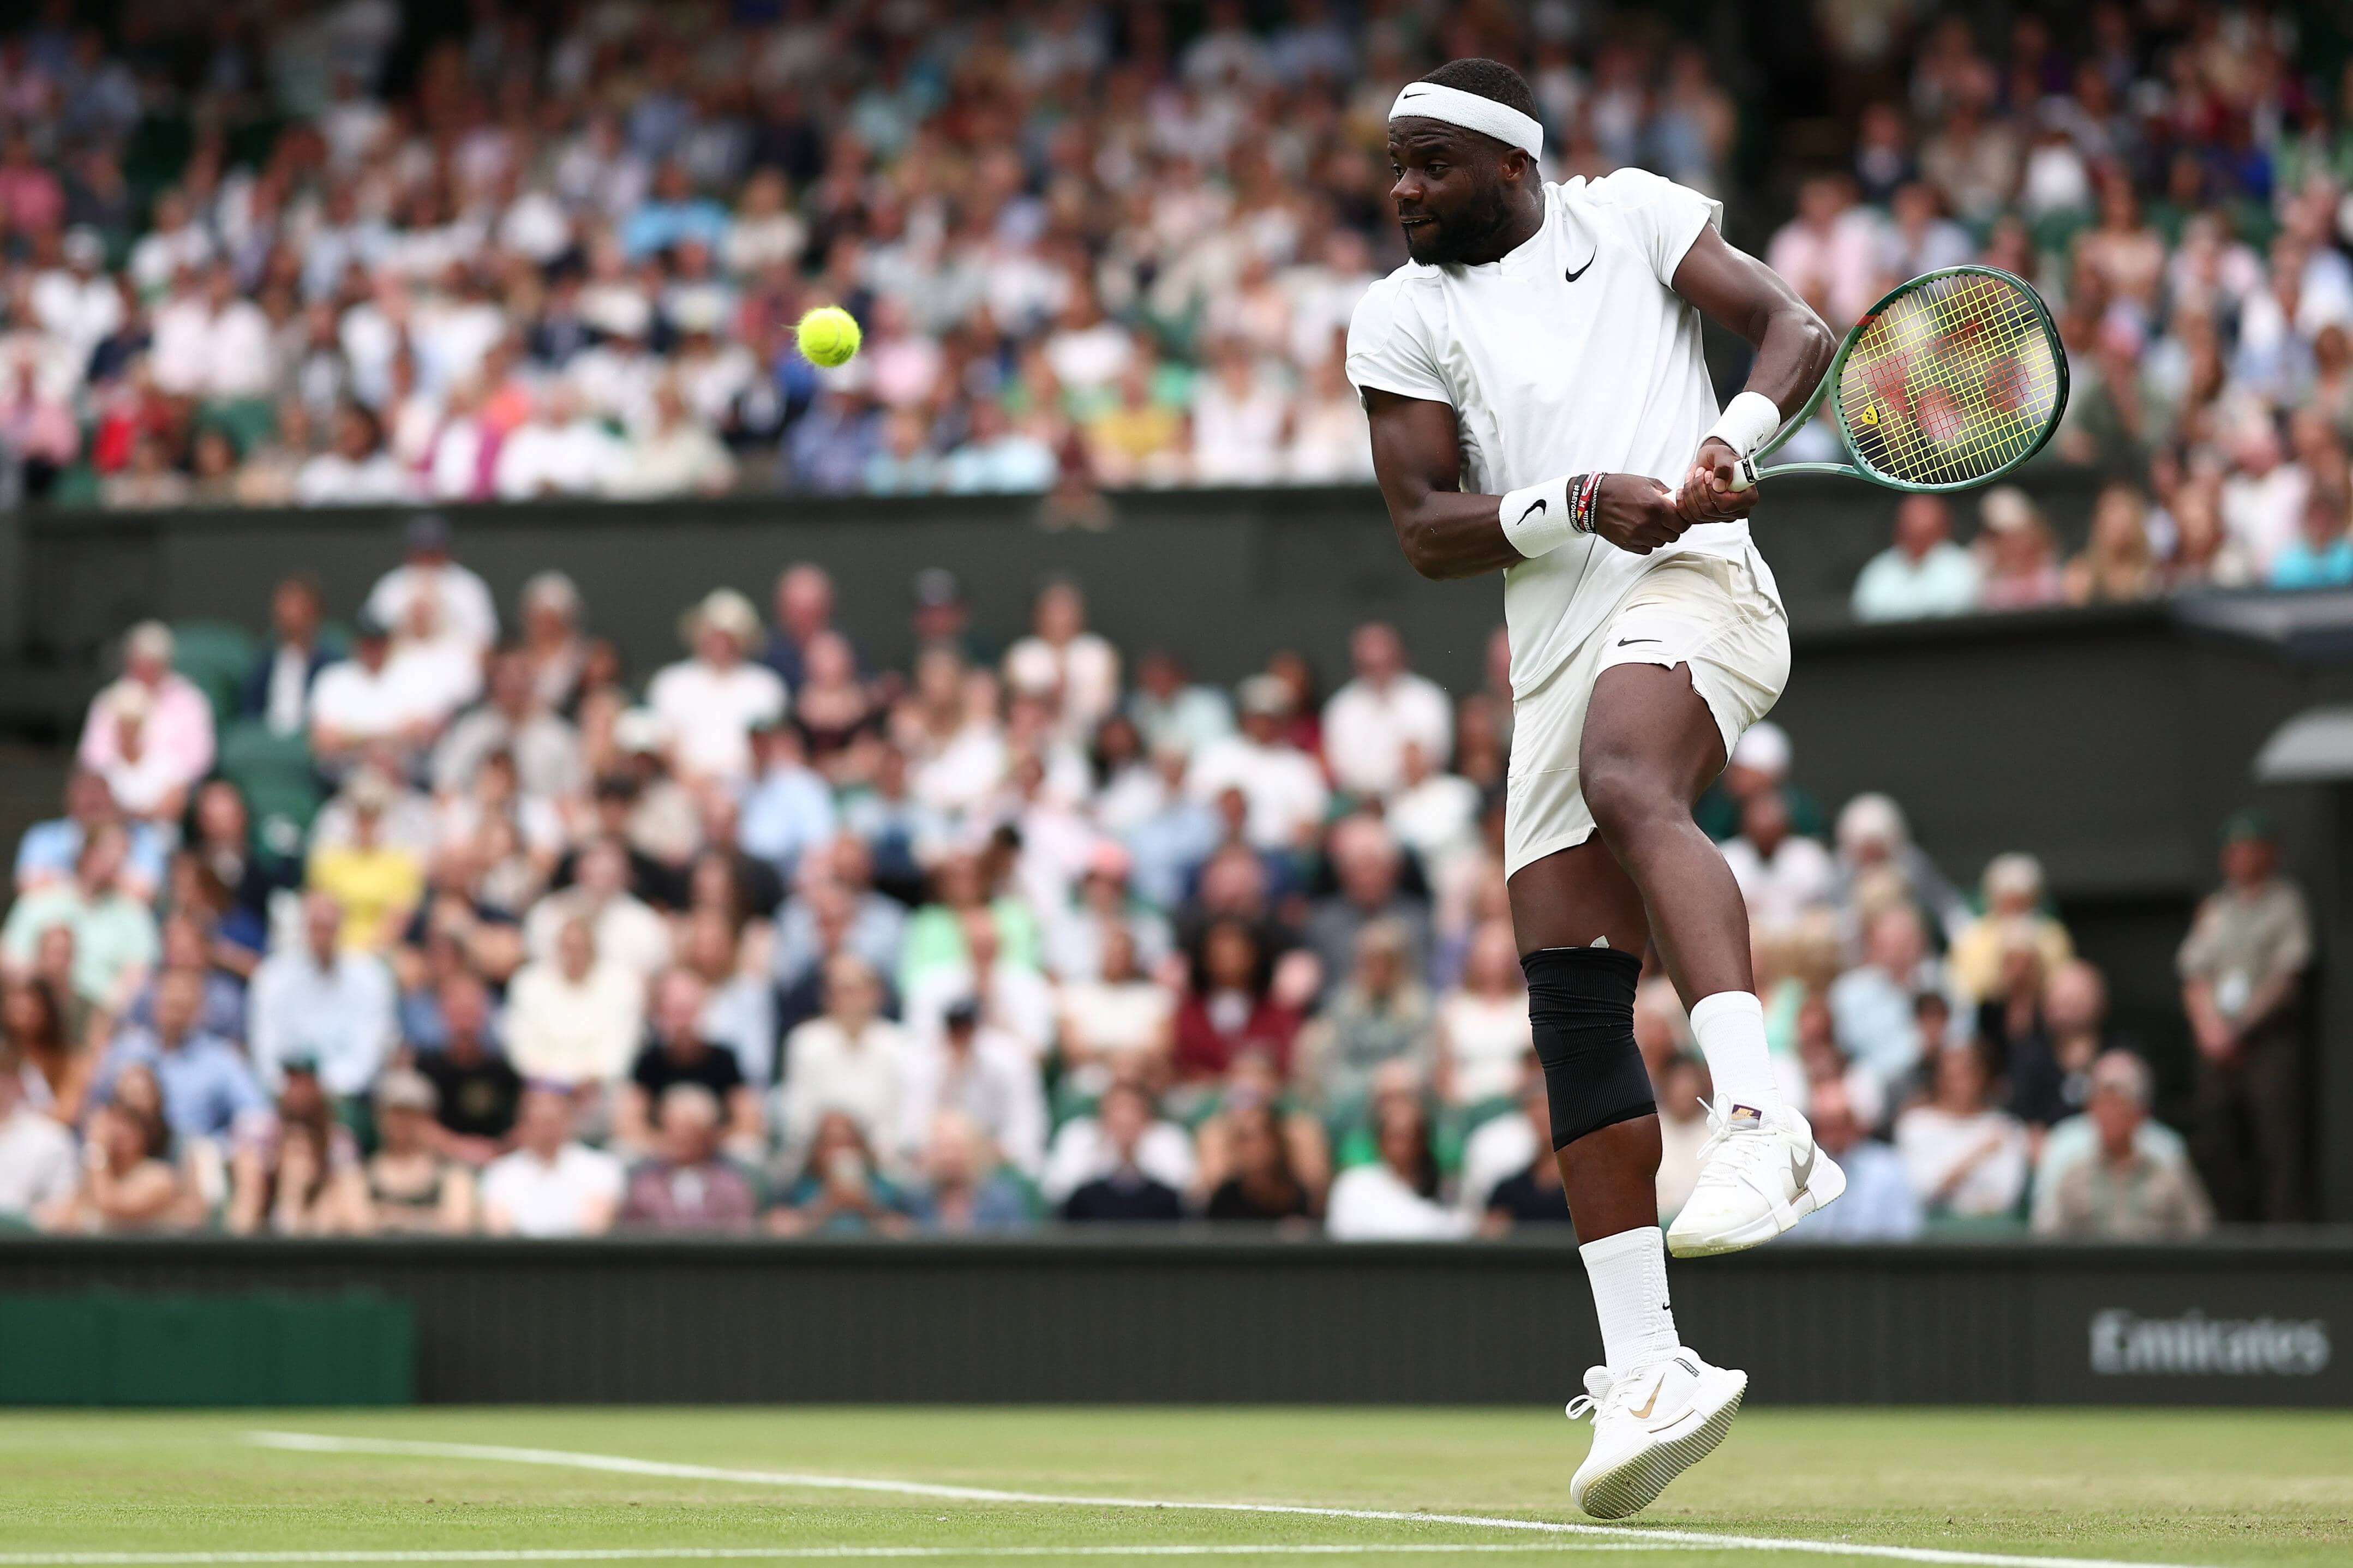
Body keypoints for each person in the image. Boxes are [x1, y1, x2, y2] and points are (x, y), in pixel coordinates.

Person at [1349, 57, 1836, 1510]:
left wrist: (1720, 443)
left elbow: (1789, 328)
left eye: (1430, 164)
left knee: (1635, 781)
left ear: (1513, 167)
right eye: (1394, 166)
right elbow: (1428, 528)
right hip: (1553, 643)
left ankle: (1759, 1120)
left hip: (1700, 584)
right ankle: (1648, 1371)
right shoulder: (1402, 312)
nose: (1402, 191)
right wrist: (1573, 500)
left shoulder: (1624, 217)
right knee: (1569, 997)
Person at [2178, 812, 2312, 1222]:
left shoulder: (2285, 903)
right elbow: (2193, 973)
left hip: (2266, 1040)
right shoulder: (2215, 908)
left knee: (2276, 1141)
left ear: (2270, 854)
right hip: (2217, 1043)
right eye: (2234, 850)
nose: (2241, 858)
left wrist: (2239, 1029)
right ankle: (2227, 1231)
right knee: (2216, 1139)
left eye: (2250, 849)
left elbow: (2286, 977)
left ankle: (2282, 1237)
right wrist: (2211, 1030)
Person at [2033, 1051, 2212, 1241]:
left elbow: (2201, 1232)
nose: (2109, 1115)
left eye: (2118, 1105)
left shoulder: (2167, 1168)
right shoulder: (2072, 1172)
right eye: (2102, 1104)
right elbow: (2049, 1238)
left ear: (2139, 1113)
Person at [247, 891, 397, 1101]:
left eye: (329, 927)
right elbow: (265, 1049)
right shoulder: (273, 976)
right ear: (303, 927)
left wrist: (324, 1089)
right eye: (316, 927)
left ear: (341, 927)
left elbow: (369, 1051)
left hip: (347, 1096)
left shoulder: (371, 976)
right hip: (285, 1095)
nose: (323, 936)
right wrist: (290, 1089)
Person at [1893, 1043, 2030, 1221]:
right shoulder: (1915, 1124)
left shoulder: (2006, 1127)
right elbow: (1922, 1191)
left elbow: (2006, 1196)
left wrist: (1950, 1189)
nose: (1961, 1084)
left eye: (1968, 1074)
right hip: (1932, 1232)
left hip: (1994, 1232)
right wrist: (1977, 1155)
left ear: (1983, 1076)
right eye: (1952, 1076)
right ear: (1939, 1079)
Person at [1787, 1077, 1922, 1242]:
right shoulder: (1794, 1170)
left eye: (1840, 1123)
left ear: (1857, 1123)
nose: (1833, 1134)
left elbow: (1904, 1232)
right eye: (1825, 1126)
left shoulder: (1888, 1168)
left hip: (1873, 1264)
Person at [479, 1086, 625, 1237]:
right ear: (523, 1124)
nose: (546, 1131)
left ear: (569, 1120)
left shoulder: (602, 1168)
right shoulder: (499, 1173)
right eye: (538, 1121)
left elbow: (593, 1230)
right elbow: (500, 1232)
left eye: (551, 1121)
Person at [1325, 1092, 1470, 1240]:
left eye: (1413, 1136)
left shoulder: (1444, 1187)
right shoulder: (1354, 1184)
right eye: (1396, 1137)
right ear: (1380, 1140)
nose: (1405, 1146)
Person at [618, 1083, 760, 1234]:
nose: (681, 1137)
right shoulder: (643, 1184)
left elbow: (742, 1232)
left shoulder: (732, 1185)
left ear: (708, 1134)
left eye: (690, 1129)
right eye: (674, 1128)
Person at [364, 1069, 478, 1234]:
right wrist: (431, 1218)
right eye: (395, 1113)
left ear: (430, 1119)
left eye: (411, 1114)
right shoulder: (362, 1174)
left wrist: (394, 1217)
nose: (402, 1122)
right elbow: (360, 1223)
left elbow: (458, 1223)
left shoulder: (453, 1174)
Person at [1058, 1080, 1187, 1222]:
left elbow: (1184, 1199)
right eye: (1116, 1109)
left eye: (1134, 1109)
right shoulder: (1080, 1148)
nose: (1125, 1118)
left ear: (1148, 1118)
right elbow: (1062, 1197)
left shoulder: (1168, 1146)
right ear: (1102, 1118)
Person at [1849, 495, 1981, 621]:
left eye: (1926, 534)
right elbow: (1866, 611)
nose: (1916, 538)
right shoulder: (1879, 570)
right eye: (1910, 529)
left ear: (1943, 528)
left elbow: (1959, 608)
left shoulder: (1963, 566)